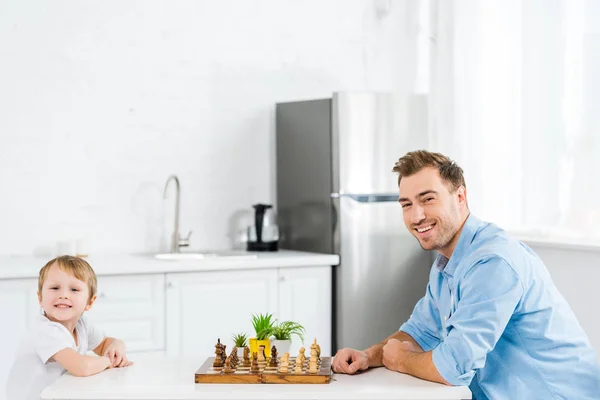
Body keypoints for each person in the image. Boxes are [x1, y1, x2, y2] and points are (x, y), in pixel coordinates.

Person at [332, 150, 600, 399]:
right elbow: (419, 332)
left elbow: (452, 367)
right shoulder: (446, 264)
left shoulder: (493, 262)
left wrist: (399, 360)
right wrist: (368, 356)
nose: (416, 216)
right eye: (406, 204)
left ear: (460, 197)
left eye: (428, 199)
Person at [6, 255, 132, 400]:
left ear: (90, 302)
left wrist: (118, 346)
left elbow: (104, 344)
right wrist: (110, 361)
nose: (63, 295)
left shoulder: (81, 325)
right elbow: (81, 367)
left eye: (74, 289)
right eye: (55, 288)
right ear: (40, 298)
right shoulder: (45, 331)